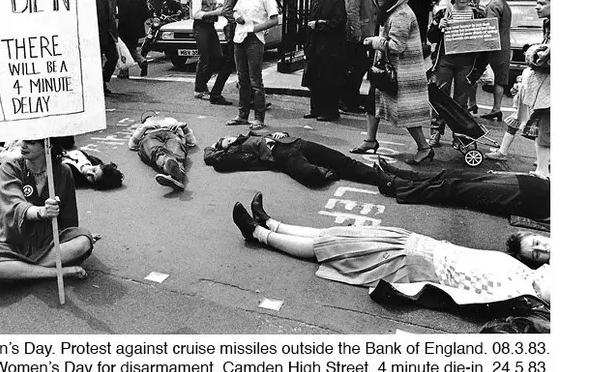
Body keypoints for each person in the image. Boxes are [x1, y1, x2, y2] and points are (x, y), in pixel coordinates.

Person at [232, 196, 549, 312]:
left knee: (334, 249)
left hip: (412, 265)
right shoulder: (524, 268)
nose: (541, 248)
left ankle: (258, 233)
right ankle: (271, 223)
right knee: (340, 236)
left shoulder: (525, 293)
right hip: (419, 244)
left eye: (536, 252)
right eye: (537, 244)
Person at [0, 137, 96, 289]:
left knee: (84, 241)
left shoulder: (64, 171)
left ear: (48, 145)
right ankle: (56, 272)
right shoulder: (9, 168)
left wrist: (73, 236)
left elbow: (69, 220)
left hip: (48, 240)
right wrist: (42, 211)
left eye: (31, 142)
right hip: (13, 239)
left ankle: (18, 271)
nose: (23, 145)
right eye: (23, 140)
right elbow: (15, 205)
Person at [353, 0, 435, 162]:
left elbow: (397, 46)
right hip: (389, 71)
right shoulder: (395, 10)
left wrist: (374, 42)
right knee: (372, 102)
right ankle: (370, 140)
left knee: (405, 112)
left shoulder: (402, 14)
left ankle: (424, 148)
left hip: (403, 73)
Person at [205, 128, 383, 188]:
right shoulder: (236, 153)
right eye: (225, 143)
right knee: (309, 175)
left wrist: (281, 133)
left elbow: (281, 133)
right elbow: (214, 160)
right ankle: (327, 171)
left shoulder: (253, 134)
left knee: (344, 162)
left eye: (227, 139)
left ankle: (388, 179)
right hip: (281, 155)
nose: (229, 141)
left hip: (295, 142)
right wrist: (213, 147)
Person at [375, 161, 549, 220]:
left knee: (458, 187)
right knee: (455, 174)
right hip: (528, 183)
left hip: (527, 199)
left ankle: (397, 186)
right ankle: (404, 175)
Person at [228, 0, 280, 130]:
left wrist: (254, 28)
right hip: (239, 38)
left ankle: (259, 118)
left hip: (254, 40)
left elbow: (274, 20)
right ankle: (242, 115)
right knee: (242, 79)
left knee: (255, 81)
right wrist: (237, 17)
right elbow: (235, 11)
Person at [488, 42, 549, 177]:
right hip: (523, 105)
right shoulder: (527, 72)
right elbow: (523, 89)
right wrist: (516, 89)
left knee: (541, 134)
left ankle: (544, 162)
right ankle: (503, 152)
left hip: (534, 106)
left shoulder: (538, 72)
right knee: (514, 126)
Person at [303, 0, 348, 120]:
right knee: (315, 79)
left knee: (328, 80)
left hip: (330, 47)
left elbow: (338, 22)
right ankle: (316, 109)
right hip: (316, 46)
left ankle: (330, 111)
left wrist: (319, 24)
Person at [342, 0, 379, 112]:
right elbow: (352, 10)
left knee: (359, 68)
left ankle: (351, 101)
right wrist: (356, 33)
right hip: (358, 36)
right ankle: (348, 101)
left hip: (365, 35)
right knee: (358, 68)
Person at [191, 0, 230, 103]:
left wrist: (217, 8)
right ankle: (199, 89)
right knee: (204, 57)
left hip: (210, 26)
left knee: (217, 56)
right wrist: (215, 12)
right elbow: (196, 14)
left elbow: (210, 8)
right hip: (201, 27)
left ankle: (203, 84)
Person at [128, 114, 197, 192]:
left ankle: (170, 167)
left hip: (171, 133)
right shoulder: (146, 124)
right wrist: (144, 128)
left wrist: (184, 127)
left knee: (176, 147)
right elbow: (132, 145)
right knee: (155, 149)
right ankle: (176, 172)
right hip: (150, 135)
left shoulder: (171, 120)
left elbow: (192, 142)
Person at [480, 0, 514, 120]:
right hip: (504, 44)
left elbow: (490, 27)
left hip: (493, 46)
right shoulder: (505, 5)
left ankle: (471, 104)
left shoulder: (493, 5)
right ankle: (496, 108)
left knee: (473, 74)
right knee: (500, 78)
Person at [115, 0, 152, 78]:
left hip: (125, 30)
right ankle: (129, 68)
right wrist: (139, 22)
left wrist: (116, 16)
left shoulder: (123, 1)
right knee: (131, 48)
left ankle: (138, 62)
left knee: (125, 49)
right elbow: (146, 14)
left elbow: (122, 16)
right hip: (137, 30)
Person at [94, 0, 119, 93]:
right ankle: (101, 86)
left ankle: (103, 79)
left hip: (108, 35)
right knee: (97, 62)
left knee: (114, 58)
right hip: (97, 34)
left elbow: (112, 15)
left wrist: (115, 33)